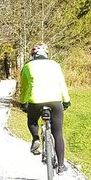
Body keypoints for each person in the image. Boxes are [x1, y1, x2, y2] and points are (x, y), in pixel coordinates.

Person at [19, 43, 71, 173]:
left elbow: (24, 87)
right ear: (46, 54)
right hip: (55, 101)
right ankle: (60, 166)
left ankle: (36, 138)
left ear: (32, 55)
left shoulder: (27, 66)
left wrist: (23, 103)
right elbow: (61, 84)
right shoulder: (55, 65)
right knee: (58, 133)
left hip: (35, 102)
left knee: (32, 121)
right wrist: (66, 101)